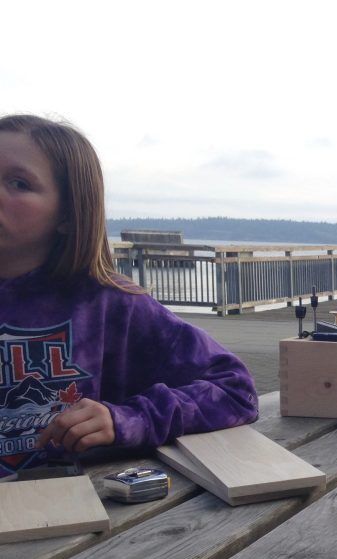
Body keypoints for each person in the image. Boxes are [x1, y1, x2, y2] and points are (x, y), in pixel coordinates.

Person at [0, 114, 258, 480]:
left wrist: (126, 419)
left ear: (69, 214)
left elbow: (235, 390)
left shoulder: (109, 305)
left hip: (71, 509)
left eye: (19, 183)